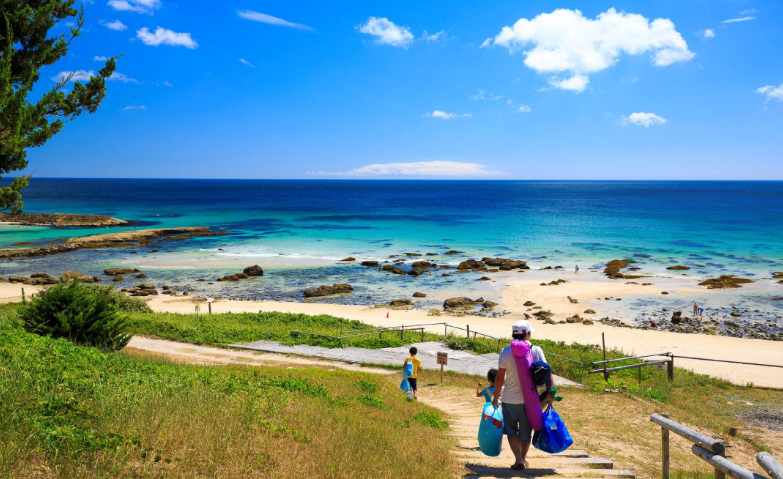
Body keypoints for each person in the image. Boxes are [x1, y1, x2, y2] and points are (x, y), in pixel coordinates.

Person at [492, 320, 553, 471]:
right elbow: (547, 372)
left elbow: (500, 378)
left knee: (511, 431)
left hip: (509, 399)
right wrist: (549, 395)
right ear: (527, 334)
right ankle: (524, 459)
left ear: (513, 334)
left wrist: (495, 397)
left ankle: (518, 459)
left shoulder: (505, 352)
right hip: (530, 400)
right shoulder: (536, 350)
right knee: (526, 433)